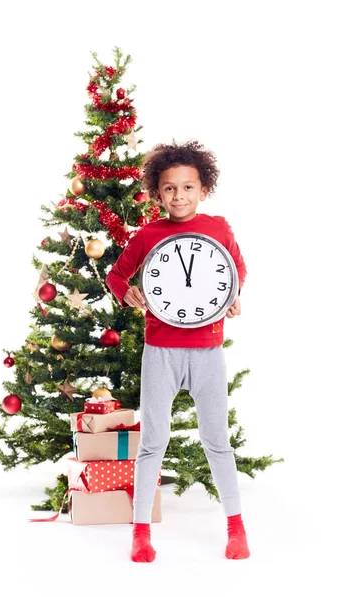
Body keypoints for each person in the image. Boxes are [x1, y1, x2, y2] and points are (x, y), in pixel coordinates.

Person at [105, 140, 250, 562]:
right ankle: (140, 532)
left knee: (217, 441)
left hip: (207, 350)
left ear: (203, 189)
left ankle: (236, 527)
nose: (179, 196)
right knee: (153, 442)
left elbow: (236, 267)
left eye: (188, 187)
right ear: (157, 193)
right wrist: (128, 291)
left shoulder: (218, 228)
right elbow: (117, 275)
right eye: (170, 189)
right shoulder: (149, 234)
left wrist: (234, 295)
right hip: (161, 351)